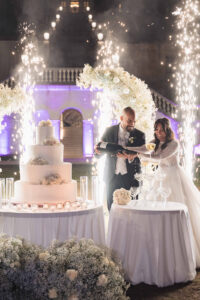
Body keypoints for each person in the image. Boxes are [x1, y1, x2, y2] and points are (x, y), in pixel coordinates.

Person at [126, 117, 200, 267]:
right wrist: (126, 150)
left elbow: (160, 157)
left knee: (177, 209)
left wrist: (138, 155)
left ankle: (182, 250)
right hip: (160, 177)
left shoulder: (174, 144)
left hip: (174, 178)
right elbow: (142, 149)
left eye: (161, 130)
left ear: (167, 129)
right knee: (157, 210)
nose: (158, 133)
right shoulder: (155, 143)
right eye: (156, 129)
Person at [95, 106, 145, 211]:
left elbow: (141, 156)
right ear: (121, 118)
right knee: (111, 208)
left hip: (130, 178)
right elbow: (99, 152)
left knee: (132, 210)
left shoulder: (140, 135)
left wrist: (131, 157)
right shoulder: (109, 131)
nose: (132, 124)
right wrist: (97, 150)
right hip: (111, 177)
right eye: (129, 121)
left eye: (134, 121)